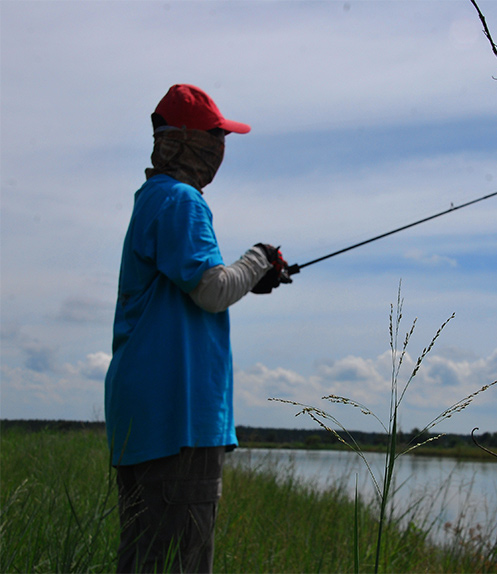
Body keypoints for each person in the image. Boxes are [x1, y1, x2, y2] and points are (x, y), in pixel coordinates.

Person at [104, 84, 290, 573]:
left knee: (144, 560)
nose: (220, 150)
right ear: (188, 142)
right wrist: (260, 258)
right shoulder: (182, 201)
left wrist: (251, 279)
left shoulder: (152, 199)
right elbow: (211, 289)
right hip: (179, 419)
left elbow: (198, 287)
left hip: (144, 420)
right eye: (215, 137)